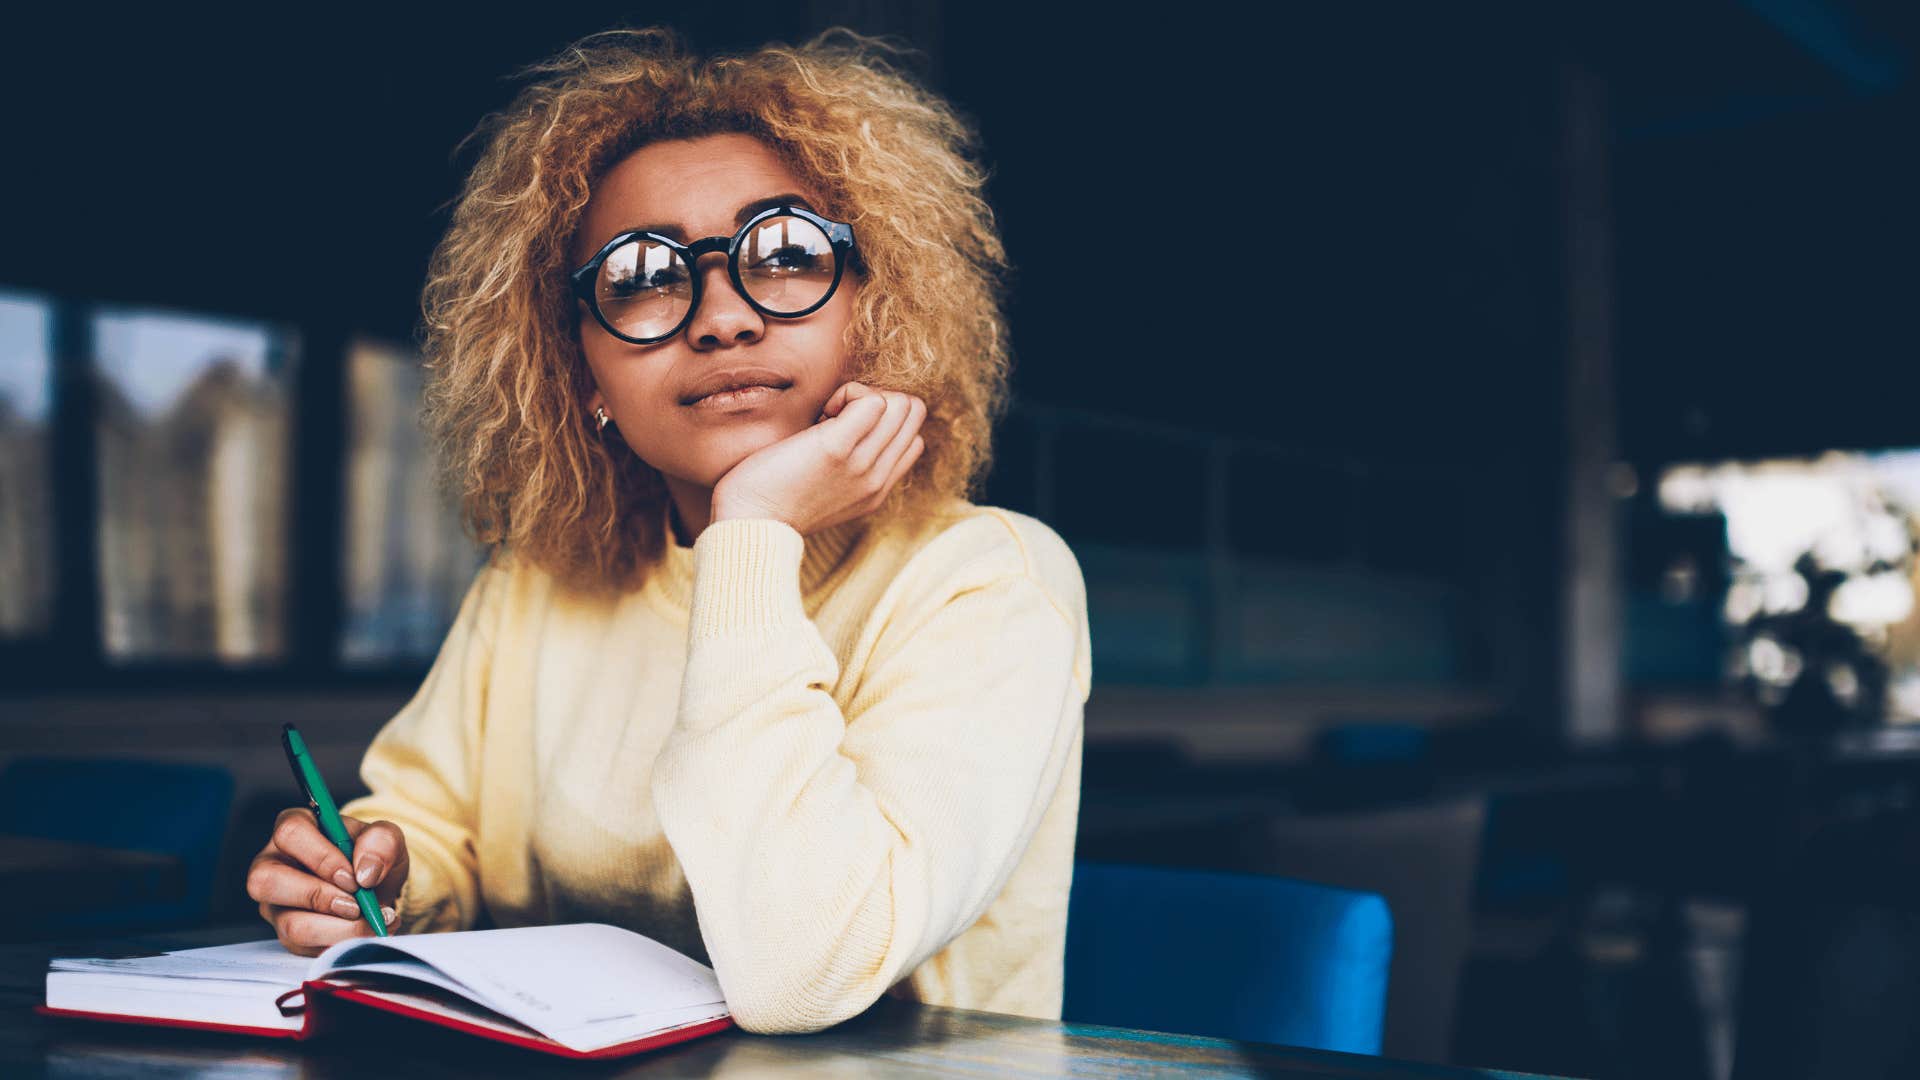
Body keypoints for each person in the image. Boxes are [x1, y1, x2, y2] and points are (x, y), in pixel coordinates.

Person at [242, 25, 1091, 1035]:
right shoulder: (535, 585)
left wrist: (754, 529)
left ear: (877, 300)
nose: (721, 317)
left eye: (783, 254)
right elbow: (436, 829)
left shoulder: (987, 579)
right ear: (582, 367)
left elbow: (801, 971)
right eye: (641, 277)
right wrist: (376, 872)